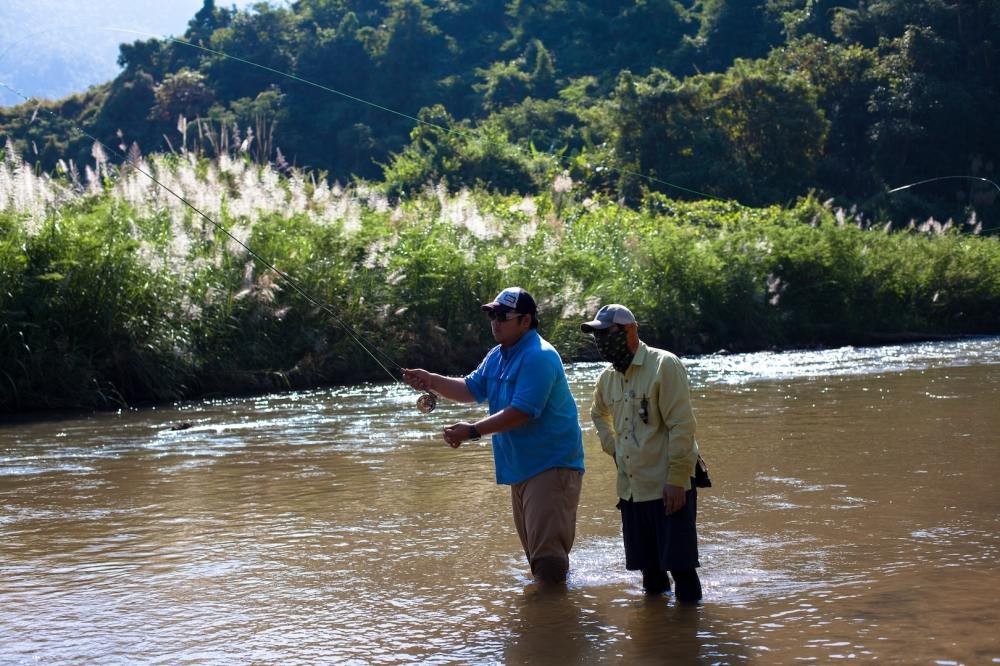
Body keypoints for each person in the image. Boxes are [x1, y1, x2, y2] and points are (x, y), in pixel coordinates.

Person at [403, 287, 585, 584]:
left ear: (526, 321)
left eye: (502, 316)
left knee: (547, 563)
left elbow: (522, 411)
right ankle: (551, 620)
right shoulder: (498, 355)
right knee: (539, 562)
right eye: (492, 315)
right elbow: (470, 389)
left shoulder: (540, 356)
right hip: (523, 468)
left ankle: (554, 626)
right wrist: (431, 380)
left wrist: (472, 431)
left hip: (552, 466)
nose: (495, 322)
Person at [582, 304, 703, 602]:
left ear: (631, 330)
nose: (601, 341)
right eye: (596, 335)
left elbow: (682, 426)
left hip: (668, 487)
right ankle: (658, 638)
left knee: (682, 569)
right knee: (650, 575)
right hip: (632, 490)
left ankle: (689, 637)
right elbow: (597, 413)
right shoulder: (607, 378)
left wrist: (676, 480)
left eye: (607, 333)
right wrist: (612, 446)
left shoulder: (664, 365)